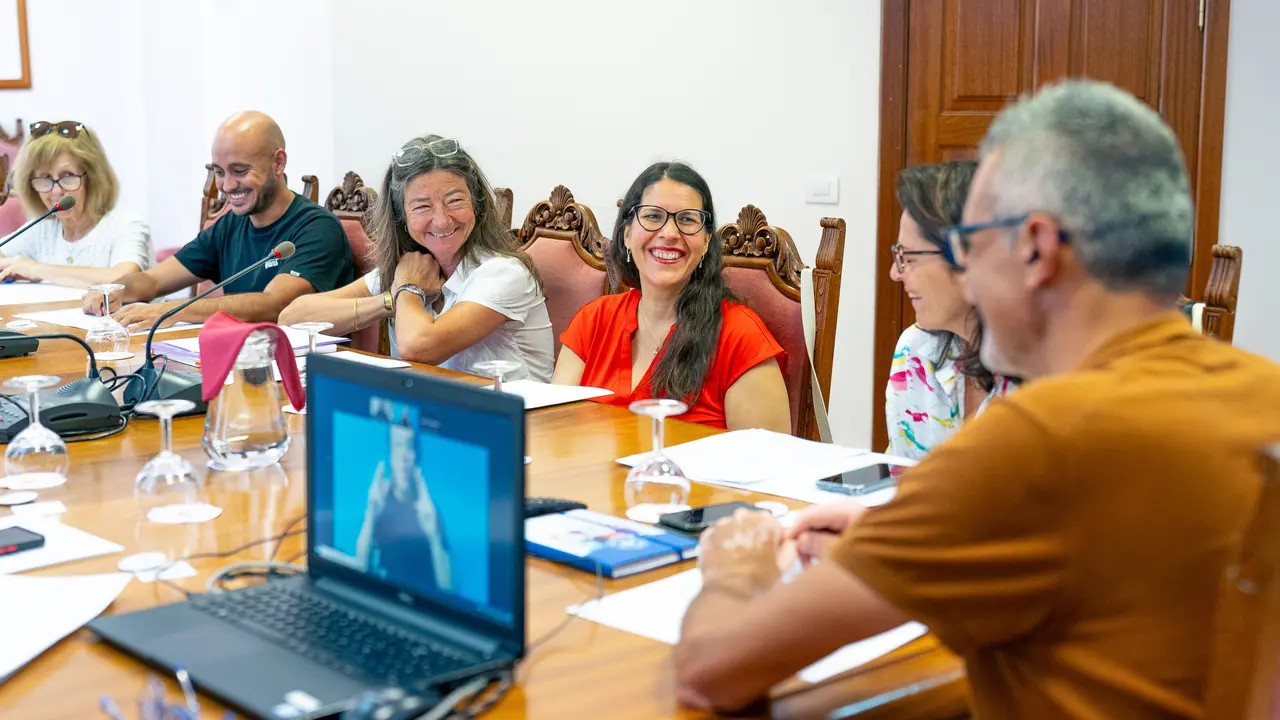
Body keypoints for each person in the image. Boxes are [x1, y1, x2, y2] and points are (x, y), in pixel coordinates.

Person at [673, 79, 1280, 718]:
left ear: (1036, 249)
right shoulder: (1262, 394)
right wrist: (910, 533)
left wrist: (737, 565)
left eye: (970, 245)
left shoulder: (1034, 441)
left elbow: (710, 670)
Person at [278, 135, 553, 381]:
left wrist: (408, 290)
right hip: (437, 413)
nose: (442, 220)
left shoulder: (504, 273)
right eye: (422, 206)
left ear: (477, 203)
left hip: (521, 417)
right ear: (401, 216)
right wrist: (389, 299)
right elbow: (292, 319)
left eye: (455, 201)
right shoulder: (413, 267)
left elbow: (418, 347)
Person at [551, 162, 790, 432]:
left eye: (687, 220)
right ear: (627, 234)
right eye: (653, 216)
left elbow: (768, 457)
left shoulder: (740, 337)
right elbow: (554, 431)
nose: (669, 233)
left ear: (706, 242)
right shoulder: (593, 320)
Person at [83, 111, 354, 330]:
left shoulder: (318, 228)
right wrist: (114, 291)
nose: (226, 186)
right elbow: (153, 281)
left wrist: (170, 311)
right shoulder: (231, 223)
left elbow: (274, 305)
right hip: (237, 358)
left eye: (240, 171)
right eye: (219, 172)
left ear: (278, 162)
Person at [886, 160, 1017, 460]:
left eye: (908, 257)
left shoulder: (1047, 373)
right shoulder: (916, 352)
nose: (895, 273)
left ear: (965, 255)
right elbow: (902, 477)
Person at [0, 120, 152, 287]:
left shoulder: (127, 226)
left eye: (67, 176)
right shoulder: (42, 228)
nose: (56, 191)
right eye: (45, 177)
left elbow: (125, 279)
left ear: (92, 178)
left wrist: (37, 269)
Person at [355, 420, 452, 592]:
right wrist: (371, 514)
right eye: (398, 446)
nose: (404, 457)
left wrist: (433, 535)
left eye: (409, 447)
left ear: (416, 457)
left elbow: (447, 587)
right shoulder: (379, 503)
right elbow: (360, 566)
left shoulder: (429, 511)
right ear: (390, 456)